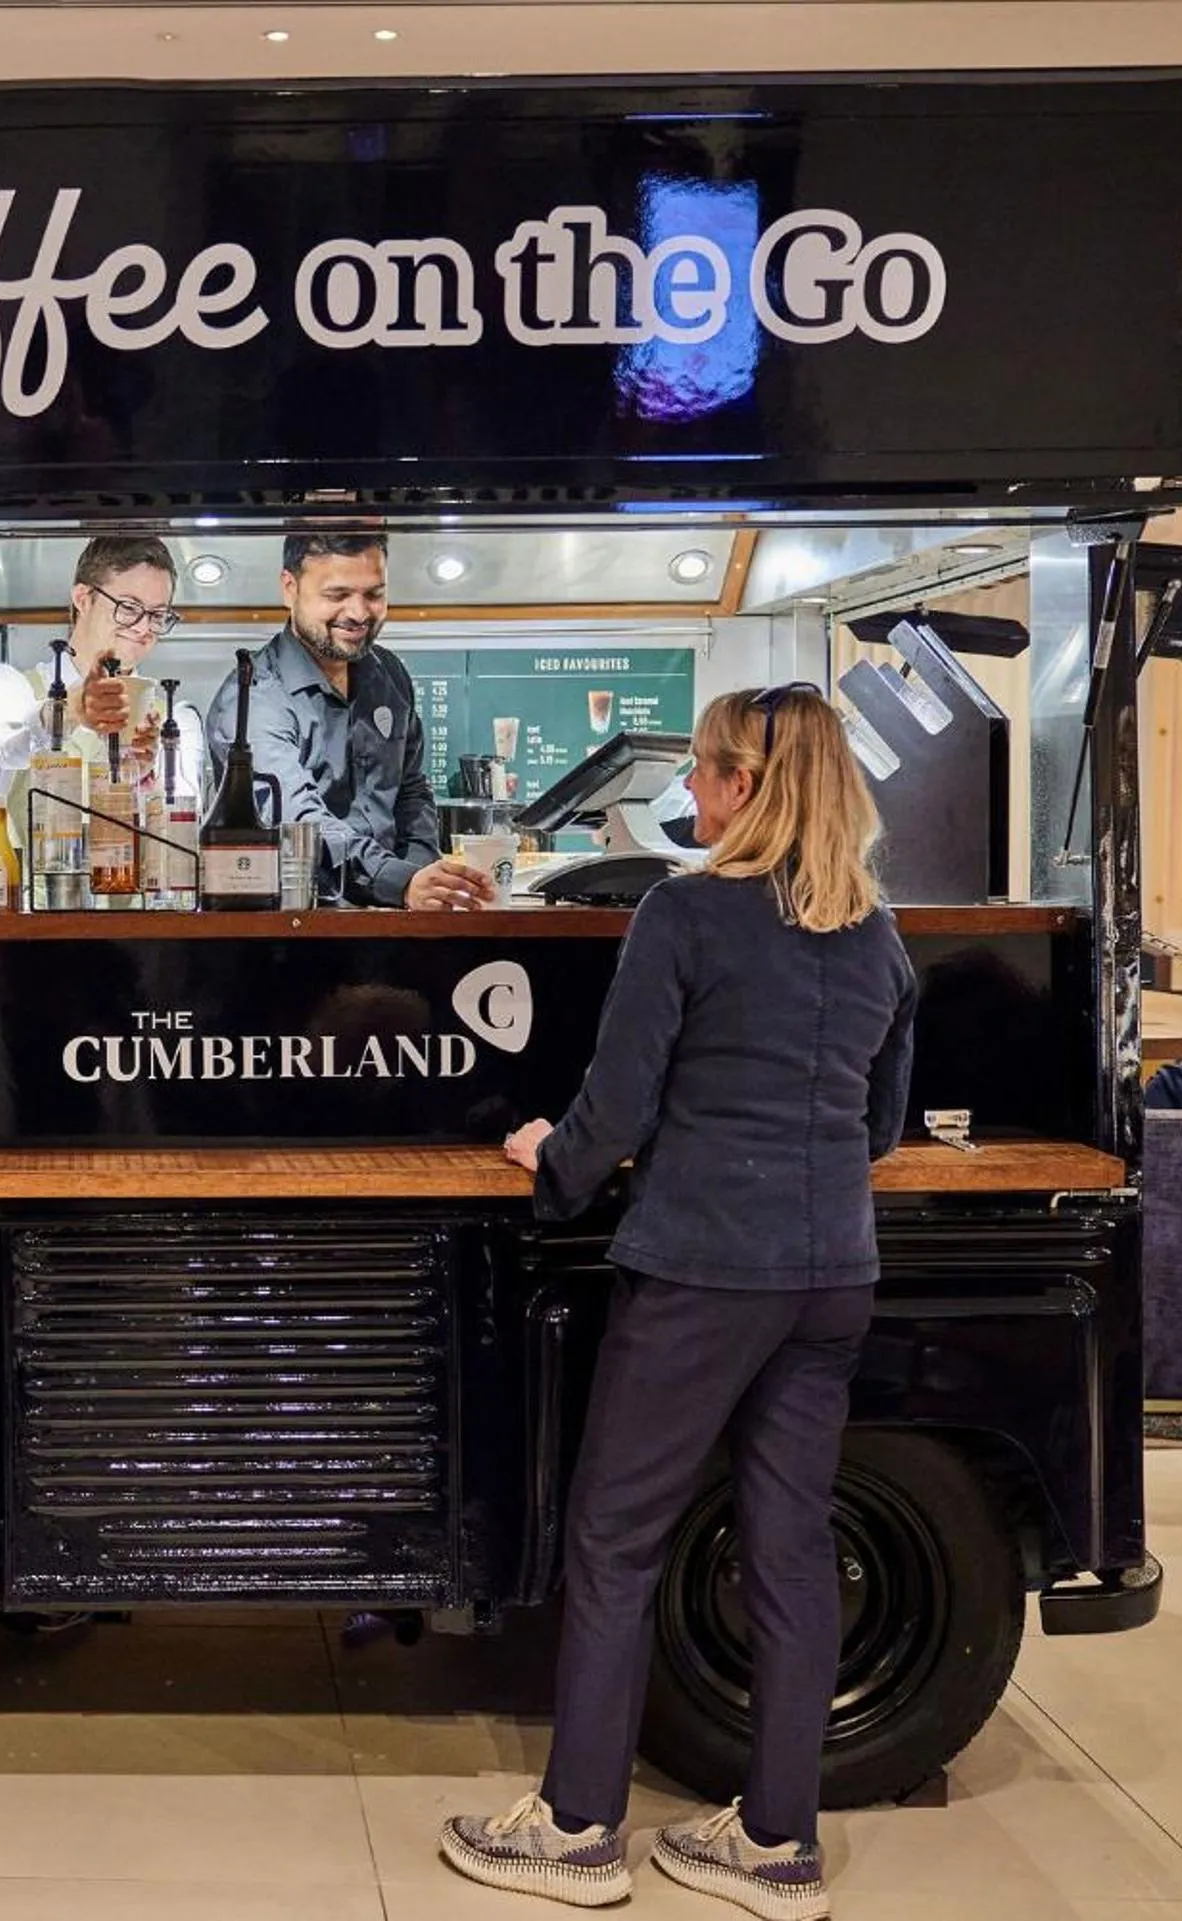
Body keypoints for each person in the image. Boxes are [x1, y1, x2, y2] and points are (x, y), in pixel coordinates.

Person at [439, 684, 915, 1921]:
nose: (687, 795)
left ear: (747, 786)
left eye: (702, 774)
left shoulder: (683, 913)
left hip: (704, 1268)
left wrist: (546, 1161)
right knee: (791, 1548)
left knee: (614, 1537)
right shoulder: (876, 933)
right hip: (831, 1276)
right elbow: (877, 1126)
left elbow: (618, 1105)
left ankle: (577, 1827)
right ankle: (774, 1845)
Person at [203, 532, 495, 910]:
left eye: (374, 594)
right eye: (337, 595)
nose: (358, 613)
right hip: (299, 929)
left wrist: (425, 876)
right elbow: (298, 820)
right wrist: (400, 881)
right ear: (289, 588)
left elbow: (411, 790)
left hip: (395, 920)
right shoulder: (254, 698)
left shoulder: (388, 673)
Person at [0, 536, 205, 843]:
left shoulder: (176, 720)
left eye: (157, 615)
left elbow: (183, 833)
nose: (143, 627)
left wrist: (144, 782)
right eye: (128, 607)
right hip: (24, 890)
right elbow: (1, 745)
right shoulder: (9, 685)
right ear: (83, 599)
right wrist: (69, 711)